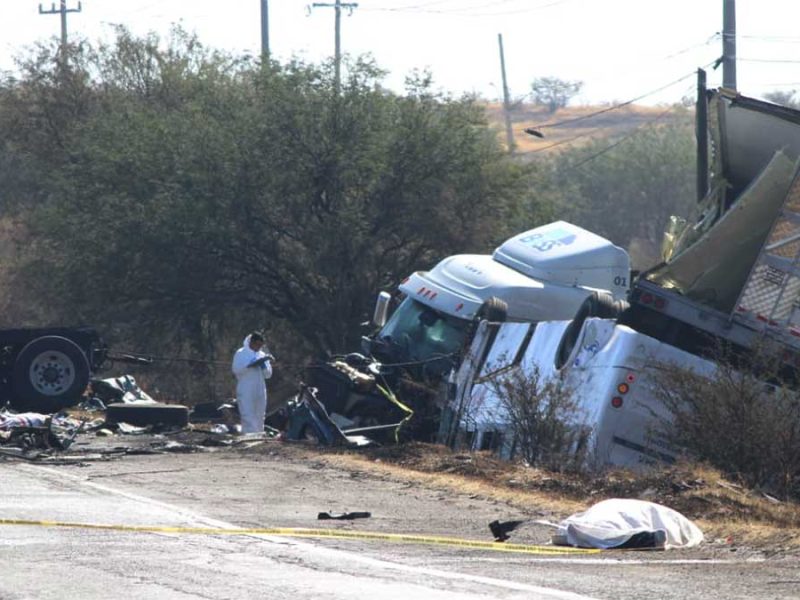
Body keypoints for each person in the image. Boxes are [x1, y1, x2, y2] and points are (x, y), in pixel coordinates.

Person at [231, 331, 273, 434]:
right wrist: (249, 365)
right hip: (246, 387)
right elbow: (236, 369)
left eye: (260, 345)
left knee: (260, 413)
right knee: (247, 412)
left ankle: (259, 434)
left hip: (260, 388)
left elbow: (268, 375)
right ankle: (249, 435)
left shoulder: (262, 354)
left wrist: (263, 366)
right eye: (257, 344)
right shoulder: (241, 353)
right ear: (251, 342)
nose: (258, 347)